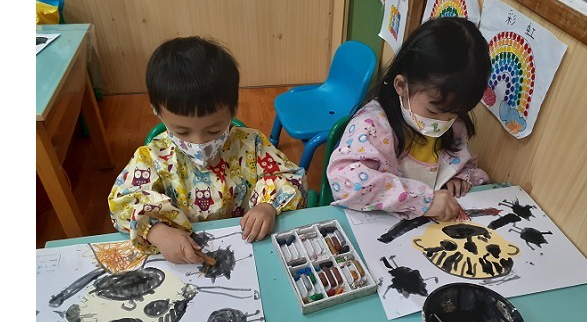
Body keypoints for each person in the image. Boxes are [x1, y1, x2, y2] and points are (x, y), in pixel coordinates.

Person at [108, 36, 307, 264]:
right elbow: (122, 205)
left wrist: (267, 206)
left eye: (213, 130)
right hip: (182, 258)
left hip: (246, 250)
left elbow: (290, 178)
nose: (199, 142)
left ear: (233, 110)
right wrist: (157, 232)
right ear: (157, 112)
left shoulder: (251, 144)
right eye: (182, 131)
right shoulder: (152, 157)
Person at [326, 18, 491, 221]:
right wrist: (423, 200)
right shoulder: (372, 125)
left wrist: (458, 177)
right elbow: (345, 182)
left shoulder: (454, 126)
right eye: (434, 111)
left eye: (454, 112)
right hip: (376, 223)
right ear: (402, 86)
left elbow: (461, 161)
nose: (443, 122)